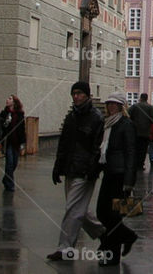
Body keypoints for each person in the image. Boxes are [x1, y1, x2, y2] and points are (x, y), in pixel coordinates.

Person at [49, 81, 105, 261]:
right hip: (70, 168)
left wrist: (92, 168)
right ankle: (105, 232)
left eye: (80, 93)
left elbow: (97, 146)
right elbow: (64, 143)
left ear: (87, 95)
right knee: (79, 210)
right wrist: (58, 166)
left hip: (85, 170)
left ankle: (65, 248)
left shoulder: (96, 117)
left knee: (72, 208)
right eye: (74, 93)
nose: (76, 96)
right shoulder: (72, 116)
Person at [94, 92, 139, 266]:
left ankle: (112, 254)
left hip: (119, 175)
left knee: (112, 216)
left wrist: (129, 180)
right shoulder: (107, 124)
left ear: (121, 107)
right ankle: (125, 239)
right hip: (109, 172)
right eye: (109, 104)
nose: (111, 107)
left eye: (114, 104)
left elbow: (130, 152)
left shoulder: (126, 124)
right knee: (103, 213)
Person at [0, 94, 26, 192]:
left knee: (14, 163)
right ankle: (10, 184)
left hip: (16, 142)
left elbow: (22, 128)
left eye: (10, 99)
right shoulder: (4, 113)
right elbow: (1, 125)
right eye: (8, 98)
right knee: (9, 163)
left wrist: (23, 142)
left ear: (14, 102)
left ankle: (6, 179)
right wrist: (5, 122)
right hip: (8, 141)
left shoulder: (19, 114)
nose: (7, 100)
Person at [129, 93, 153, 171]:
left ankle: (134, 163)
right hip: (146, 132)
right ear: (147, 98)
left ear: (140, 98)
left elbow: (128, 114)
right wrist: (148, 123)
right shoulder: (150, 107)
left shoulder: (135, 106)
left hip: (135, 131)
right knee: (143, 149)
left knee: (135, 148)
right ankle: (140, 164)